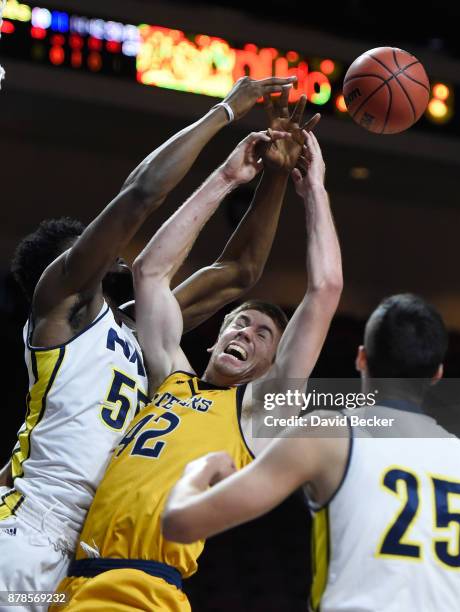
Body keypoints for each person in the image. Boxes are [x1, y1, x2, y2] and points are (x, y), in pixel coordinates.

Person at [0, 75, 297, 601]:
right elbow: (139, 195)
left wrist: (275, 176)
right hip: (25, 532)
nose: (110, 250)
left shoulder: (137, 329)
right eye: (92, 245)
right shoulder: (59, 313)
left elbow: (238, 273)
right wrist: (225, 112)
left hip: (79, 565)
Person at [53, 127, 342, 610]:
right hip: (71, 581)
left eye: (261, 335)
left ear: (269, 366)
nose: (244, 334)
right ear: (215, 339)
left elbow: (325, 290)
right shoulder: (171, 375)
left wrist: (315, 190)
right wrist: (227, 177)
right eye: (238, 323)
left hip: (141, 587)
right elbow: (149, 272)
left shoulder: (257, 414)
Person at [165, 294, 460, 612]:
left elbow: (180, 522)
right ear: (437, 375)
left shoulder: (329, 432)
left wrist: (204, 467)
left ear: (362, 358)